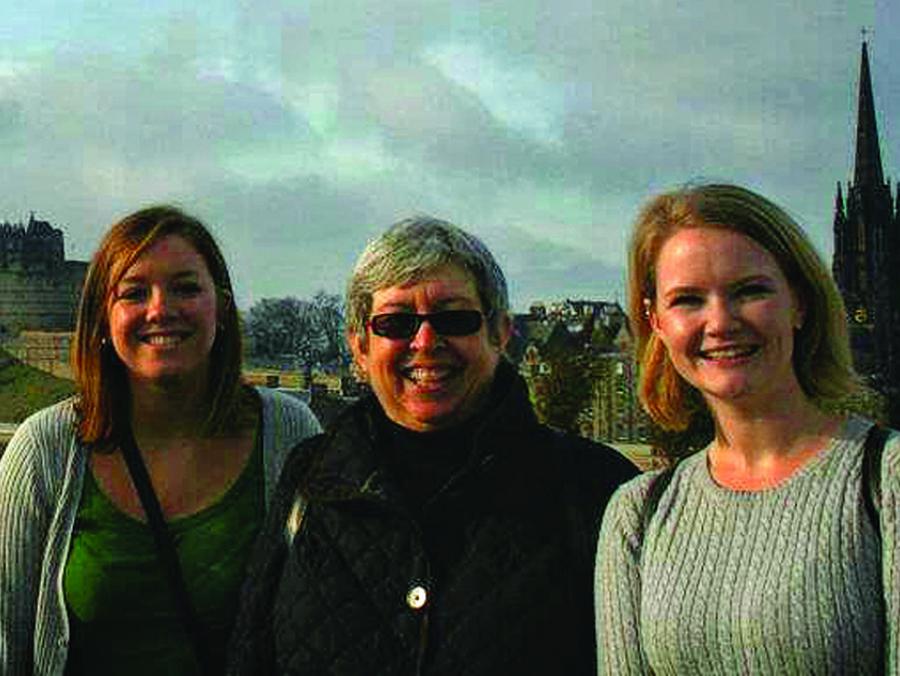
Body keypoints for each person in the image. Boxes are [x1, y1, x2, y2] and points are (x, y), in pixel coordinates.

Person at [228, 216, 637, 675]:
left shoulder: (596, 491)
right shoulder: (308, 480)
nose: (425, 341)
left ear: (501, 333)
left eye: (453, 318)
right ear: (359, 347)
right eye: (396, 322)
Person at [0, 206, 321, 675]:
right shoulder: (44, 450)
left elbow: (323, 621)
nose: (160, 310)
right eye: (134, 293)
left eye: (186, 288)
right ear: (101, 319)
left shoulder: (290, 433)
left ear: (223, 308)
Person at [595, 183, 899, 674]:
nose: (720, 322)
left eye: (750, 291)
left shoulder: (885, 481)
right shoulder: (638, 513)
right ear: (656, 323)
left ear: (799, 302)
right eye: (688, 300)